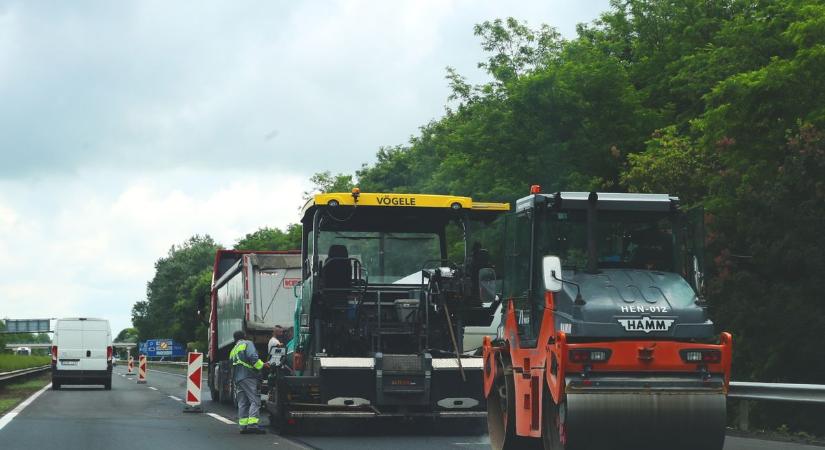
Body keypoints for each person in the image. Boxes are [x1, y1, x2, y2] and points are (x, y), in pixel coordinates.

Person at [230, 330, 268, 434]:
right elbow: (253, 358)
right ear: (244, 336)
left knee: (242, 402)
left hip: (238, 379)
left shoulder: (233, 349)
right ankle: (252, 425)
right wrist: (263, 365)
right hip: (248, 377)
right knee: (255, 400)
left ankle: (243, 426)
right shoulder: (248, 343)